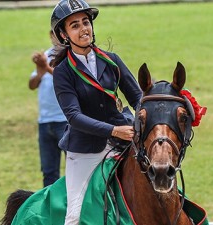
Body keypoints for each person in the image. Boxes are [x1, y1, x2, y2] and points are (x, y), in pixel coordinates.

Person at [50, 0, 143, 224]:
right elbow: (74, 116)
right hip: (85, 150)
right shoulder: (62, 72)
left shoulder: (112, 60)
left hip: (124, 143)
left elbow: (138, 98)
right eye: (75, 25)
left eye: (86, 22)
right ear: (64, 35)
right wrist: (113, 131)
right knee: (74, 216)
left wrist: (141, 121)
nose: (83, 29)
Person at [28, 30, 67, 187]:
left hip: (64, 121)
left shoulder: (69, 56)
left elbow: (64, 79)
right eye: (53, 34)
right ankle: (51, 209)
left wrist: (46, 66)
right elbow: (31, 85)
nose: (56, 38)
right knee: (49, 172)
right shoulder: (47, 55)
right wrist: (40, 70)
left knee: (75, 169)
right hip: (45, 121)